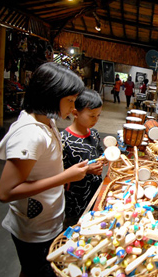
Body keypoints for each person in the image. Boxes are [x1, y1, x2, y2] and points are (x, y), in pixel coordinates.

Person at [0, 62, 88, 277]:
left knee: (30, 270)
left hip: (47, 217)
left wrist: (63, 176)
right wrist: (63, 177)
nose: (74, 108)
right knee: (37, 270)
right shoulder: (30, 134)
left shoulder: (46, 120)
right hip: (34, 227)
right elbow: (5, 193)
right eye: (70, 101)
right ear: (51, 96)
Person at [60, 89, 105, 227]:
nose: (95, 120)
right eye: (91, 116)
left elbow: (99, 154)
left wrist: (105, 158)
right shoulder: (64, 140)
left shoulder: (94, 134)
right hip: (75, 200)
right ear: (75, 113)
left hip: (95, 191)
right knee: (75, 228)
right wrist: (87, 170)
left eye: (98, 115)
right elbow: (61, 174)